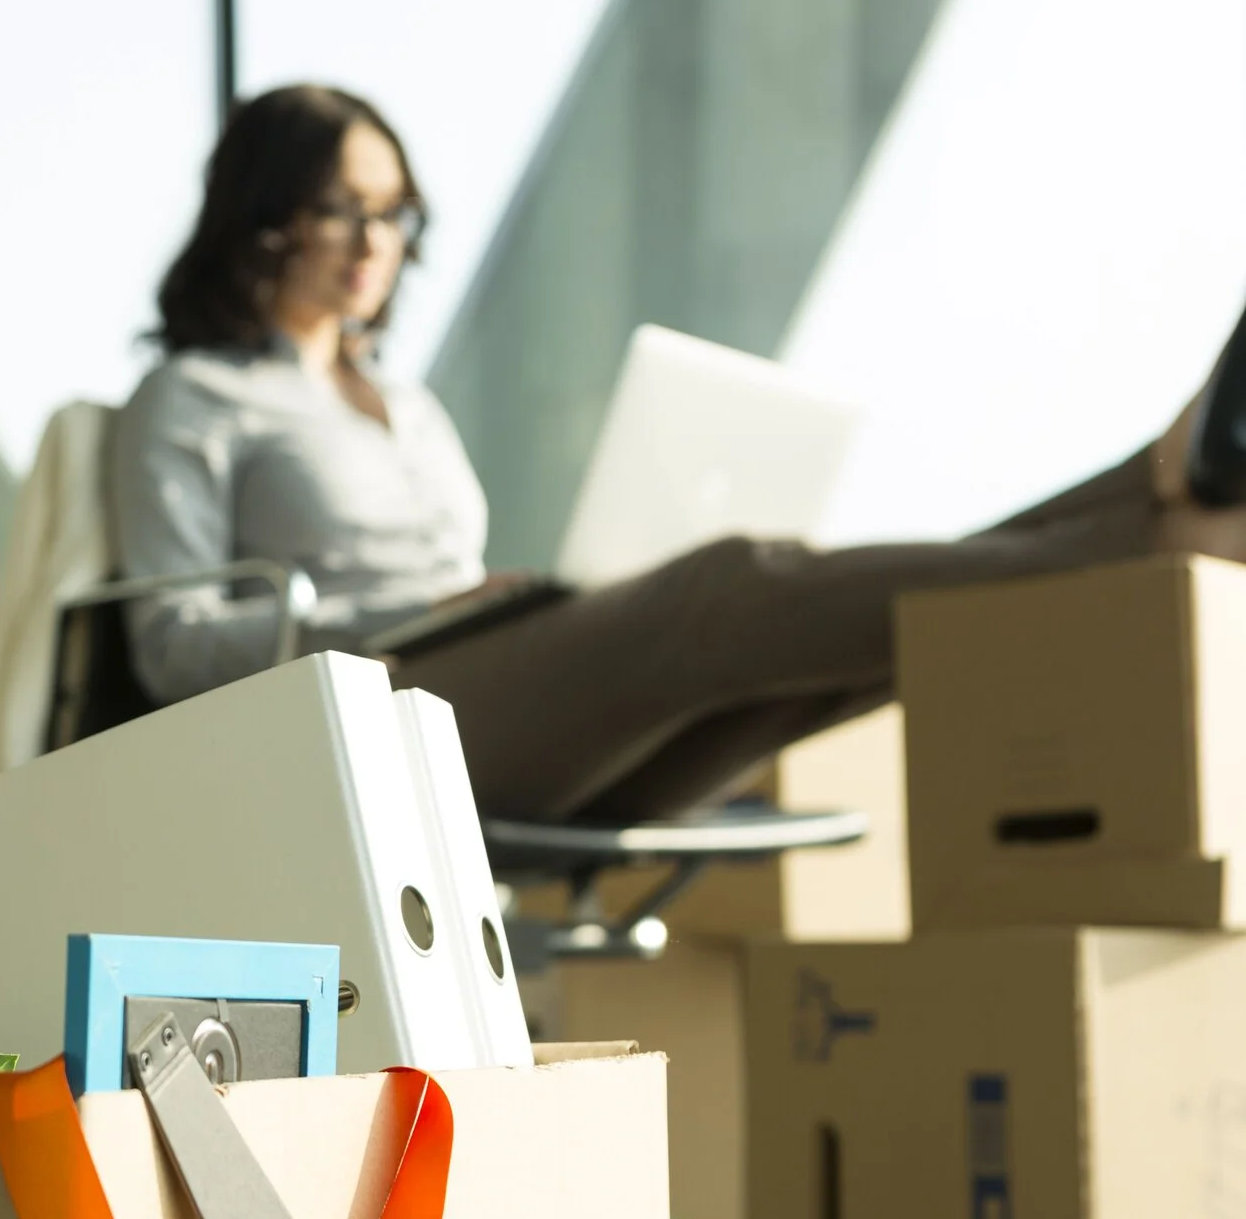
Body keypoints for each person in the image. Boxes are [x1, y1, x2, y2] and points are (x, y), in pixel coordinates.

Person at [109, 83, 1246, 823]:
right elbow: (167, 649)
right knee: (730, 587)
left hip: (490, 688)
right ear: (262, 215)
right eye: (341, 209)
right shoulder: (190, 398)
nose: (377, 243)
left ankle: (1168, 496)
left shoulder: (406, 408)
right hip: (368, 730)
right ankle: (1174, 525)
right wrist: (397, 609)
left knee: (843, 656)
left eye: (395, 213)